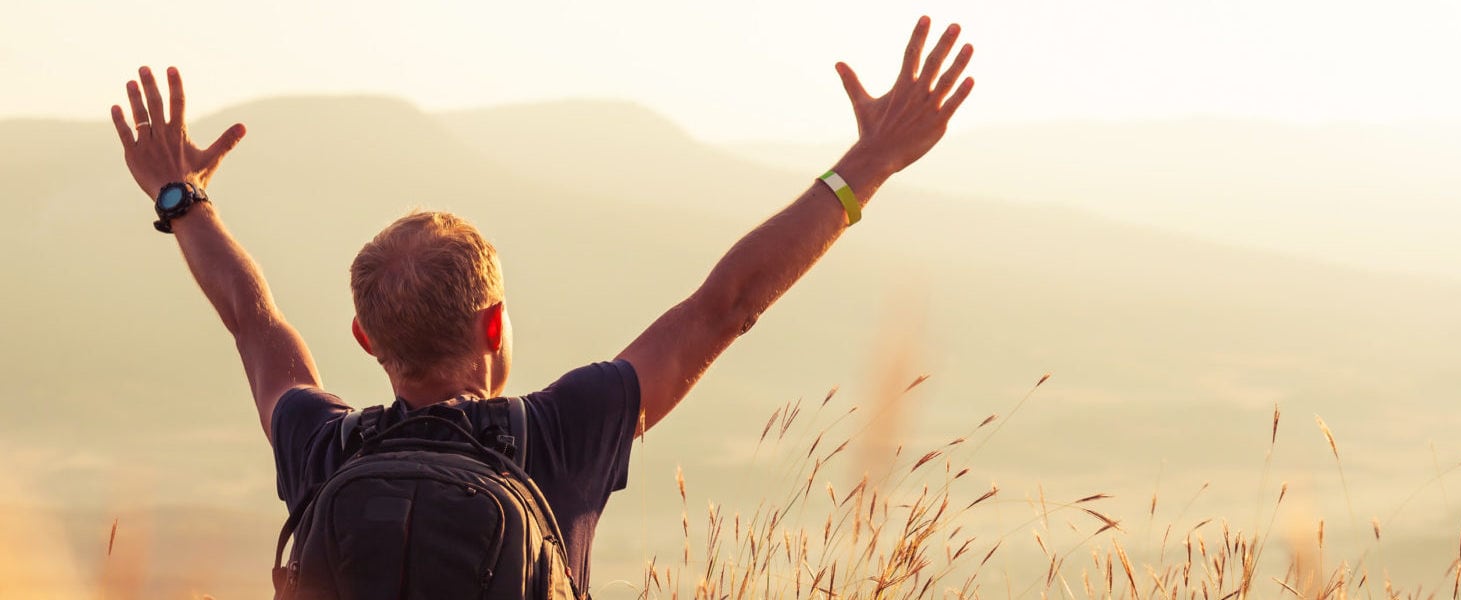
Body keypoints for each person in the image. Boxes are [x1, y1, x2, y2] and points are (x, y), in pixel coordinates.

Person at [109, 16, 974, 595]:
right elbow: (726, 305)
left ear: (365, 340)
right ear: (494, 326)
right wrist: (870, 164)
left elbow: (254, 320)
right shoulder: (561, 433)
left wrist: (182, 197)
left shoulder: (320, 446)